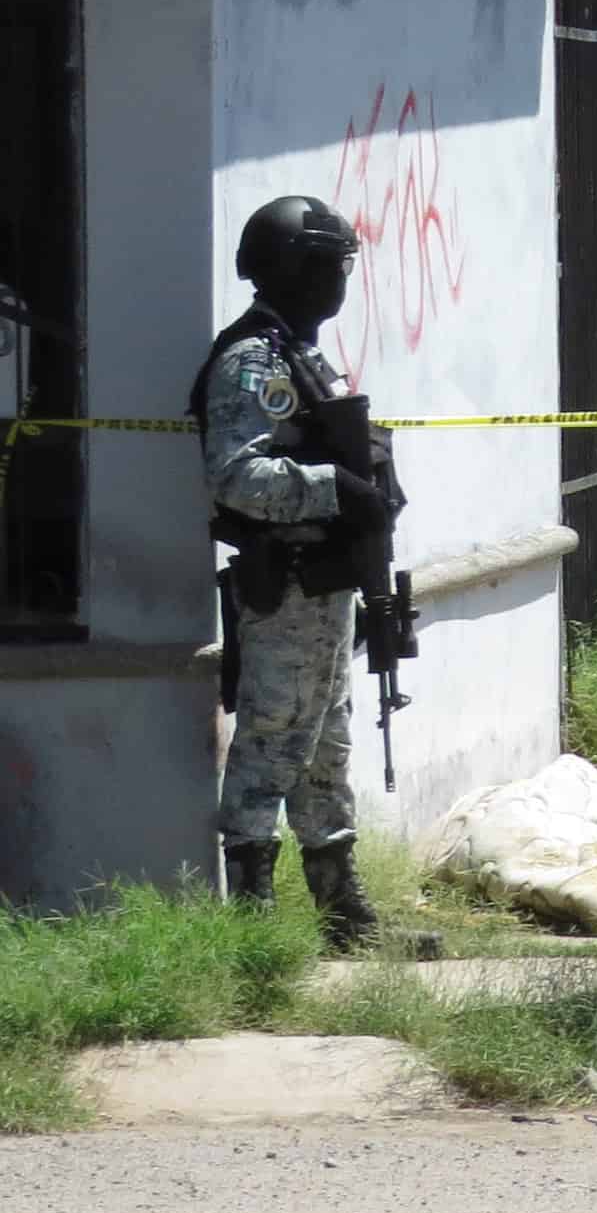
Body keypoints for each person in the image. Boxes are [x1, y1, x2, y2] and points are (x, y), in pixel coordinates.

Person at [188, 194, 384, 946]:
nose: (339, 280)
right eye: (332, 265)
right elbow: (236, 474)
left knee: (326, 748)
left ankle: (343, 913)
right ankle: (254, 925)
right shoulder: (254, 360)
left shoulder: (298, 353)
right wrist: (339, 488)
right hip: (288, 580)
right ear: (299, 270)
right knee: (271, 742)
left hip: (325, 583)